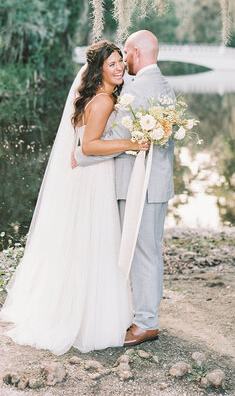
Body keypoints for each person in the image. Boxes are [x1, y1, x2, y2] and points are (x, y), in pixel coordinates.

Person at [0, 40, 148, 354]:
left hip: (84, 177)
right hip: (94, 179)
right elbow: (89, 146)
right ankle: (86, 319)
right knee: (95, 243)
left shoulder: (93, 97)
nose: (119, 68)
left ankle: (73, 310)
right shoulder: (103, 100)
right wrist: (132, 144)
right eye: (112, 64)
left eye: (121, 61)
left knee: (79, 243)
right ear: (99, 70)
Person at [75, 30, 175, 346]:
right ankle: (143, 317)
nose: (123, 64)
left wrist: (80, 155)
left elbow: (111, 141)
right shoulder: (164, 85)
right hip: (156, 183)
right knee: (148, 251)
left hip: (141, 186)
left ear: (134, 52)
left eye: (125, 56)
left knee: (143, 253)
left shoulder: (139, 89)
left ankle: (146, 323)